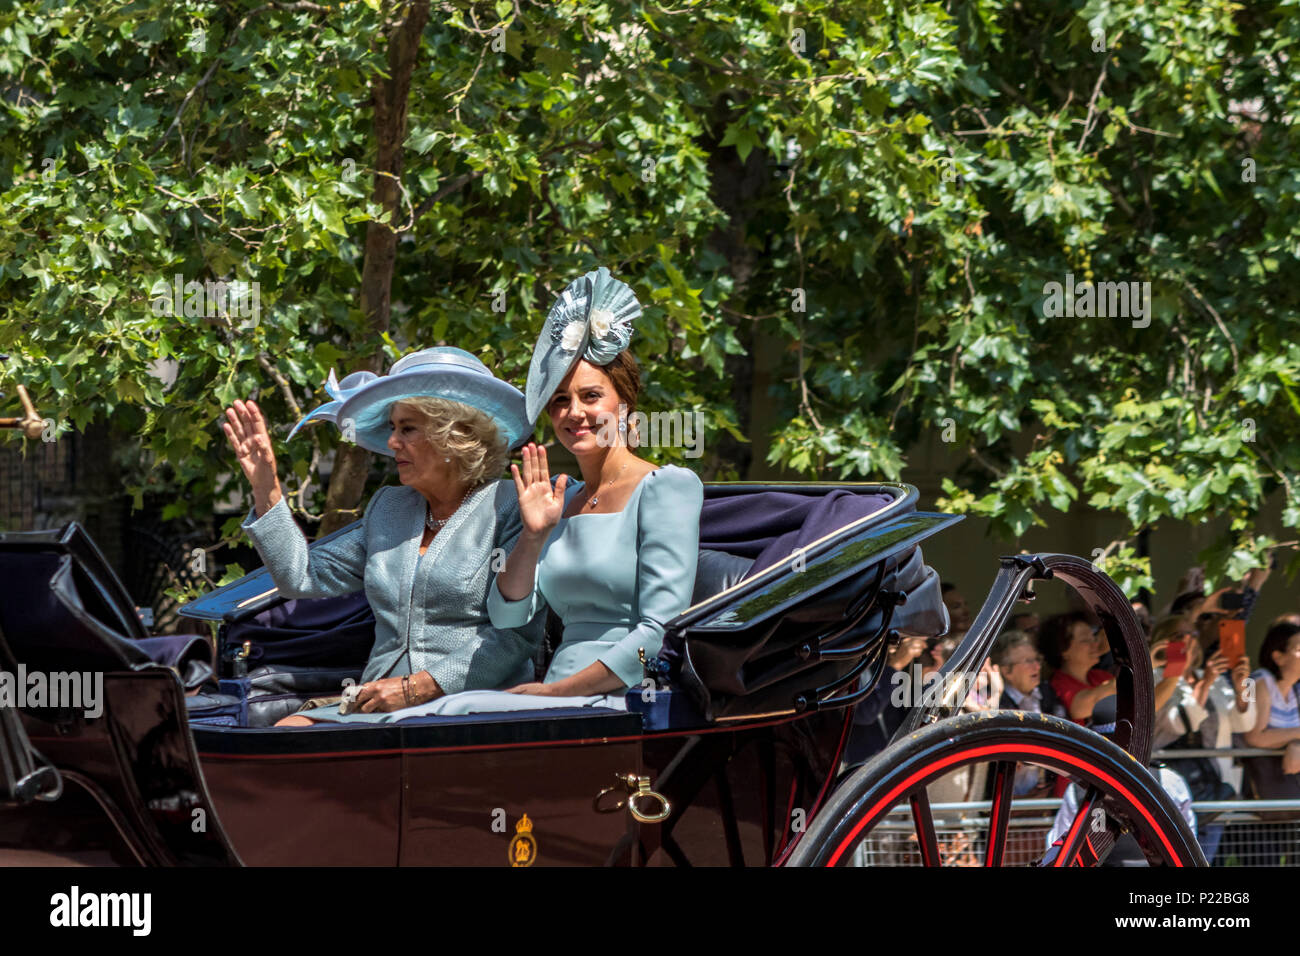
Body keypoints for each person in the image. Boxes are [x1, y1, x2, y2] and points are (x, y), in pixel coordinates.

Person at [395, 266, 704, 717]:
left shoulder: (667, 487)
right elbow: (508, 617)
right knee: (429, 719)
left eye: (591, 396)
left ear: (625, 404)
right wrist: (534, 535)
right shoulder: (564, 498)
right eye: (560, 400)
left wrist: (558, 694)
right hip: (553, 698)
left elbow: (659, 634)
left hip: (625, 700)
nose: (574, 413)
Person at [222, 347, 540, 724]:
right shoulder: (389, 507)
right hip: (376, 702)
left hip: (472, 705)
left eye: (407, 428)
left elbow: (517, 638)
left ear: (456, 434)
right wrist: (267, 490)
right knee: (283, 736)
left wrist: (419, 687)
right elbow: (301, 576)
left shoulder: (509, 506)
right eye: (392, 428)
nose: (391, 443)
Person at [1042, 611, 1115, 723]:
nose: (1095, 644)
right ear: (1063, 650)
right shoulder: (1057, 684)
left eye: (1093, 638)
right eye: (1085, 640)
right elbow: (1085, 706)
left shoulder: (1101, 676)